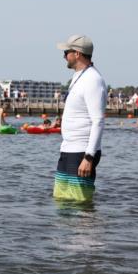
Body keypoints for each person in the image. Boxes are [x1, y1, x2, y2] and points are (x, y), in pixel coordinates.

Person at [53, 35, 107, 202]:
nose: (63, 56)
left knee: (80, 205)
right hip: (69, 148)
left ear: (77, 54)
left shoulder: (93, 79)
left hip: (82, 152)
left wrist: (89, 157)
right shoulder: (79, 76)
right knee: (62, 203)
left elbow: (98, 120)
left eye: (66, 52)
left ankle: (88, 229)